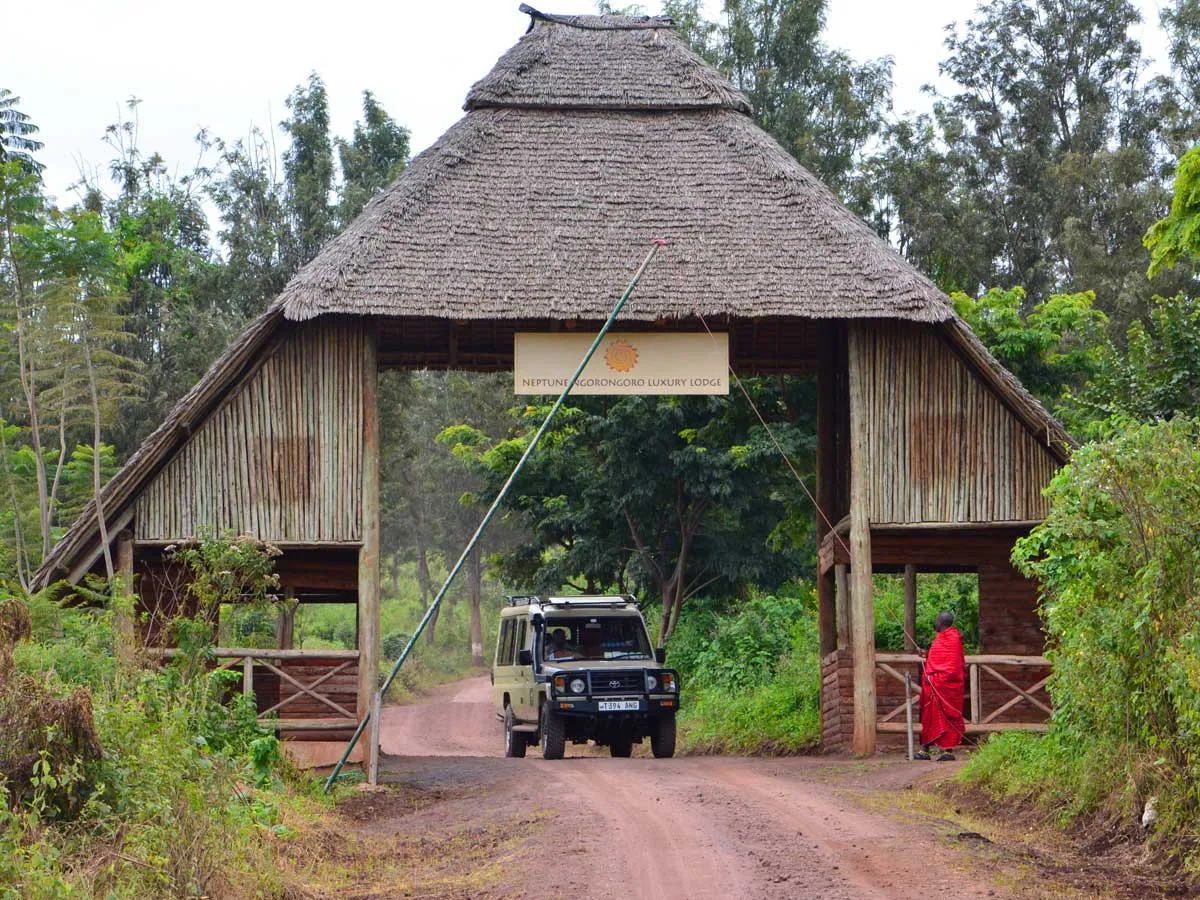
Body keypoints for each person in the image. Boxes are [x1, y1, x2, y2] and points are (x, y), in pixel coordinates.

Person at [913, 611, 966, 761]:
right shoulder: (940, 638)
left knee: (948, 716)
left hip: (946, 687)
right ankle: (925, 751)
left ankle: (947, 751)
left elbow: (953, 666)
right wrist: (926, 654)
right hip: (934, 687)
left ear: (941, 622)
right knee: (929, 716)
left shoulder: (953, 638)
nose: (935, 623)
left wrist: (936, 678)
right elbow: (938, 658)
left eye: (936, 621)